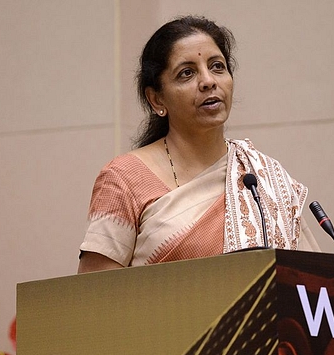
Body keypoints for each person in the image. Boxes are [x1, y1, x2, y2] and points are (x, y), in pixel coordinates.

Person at [77, 16, 320, 273]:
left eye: (217, 67)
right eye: (187, 73)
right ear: (157, 99)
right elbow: (95, 297)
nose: (208, 81)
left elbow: (308, 284)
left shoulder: (262, 176)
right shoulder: (124, 178)